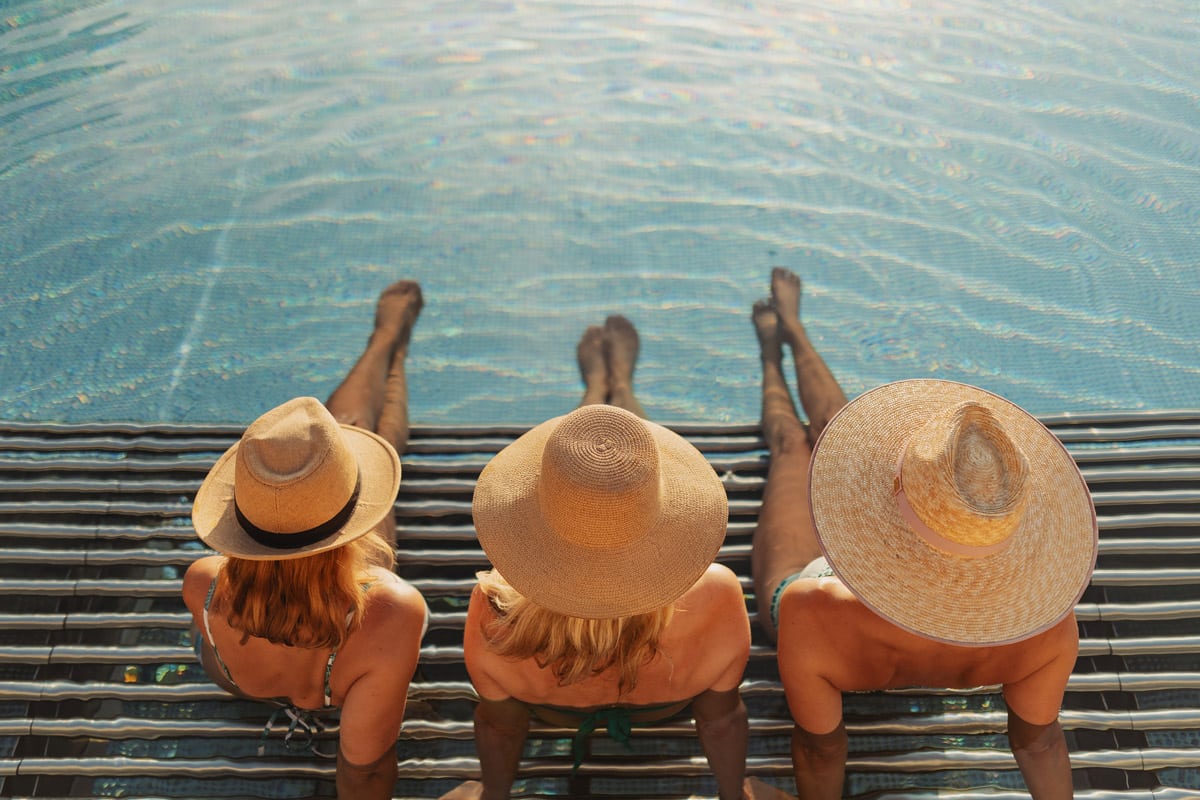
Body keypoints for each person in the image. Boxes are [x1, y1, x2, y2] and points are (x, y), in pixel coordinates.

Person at [748, 267, 1098, 800]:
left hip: (826, 601)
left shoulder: (805, 607)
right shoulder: (1048, 626)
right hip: (942, 624)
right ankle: (793, 330)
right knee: (822, 434)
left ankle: (778, 348)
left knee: (794, 447)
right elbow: (1038, 744)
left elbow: (821, 748)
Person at [444, 315, 752, 800]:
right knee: (619, 464)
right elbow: (720, 719)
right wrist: (736, 796)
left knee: (585, 465)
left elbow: (501, 728)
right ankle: (618, 387)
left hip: (551, 711)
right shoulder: (716, 593)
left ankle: (596, 394)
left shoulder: (494, 609)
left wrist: (492, 796)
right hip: (664, 707)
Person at [183, 281, 429, 800]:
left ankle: (385, 344)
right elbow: (362, 770)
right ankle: (389, 345)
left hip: (237, 680)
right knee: (357, 430)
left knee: (347, 425)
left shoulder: (201, 580)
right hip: (338, 681)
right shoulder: (393, 610)